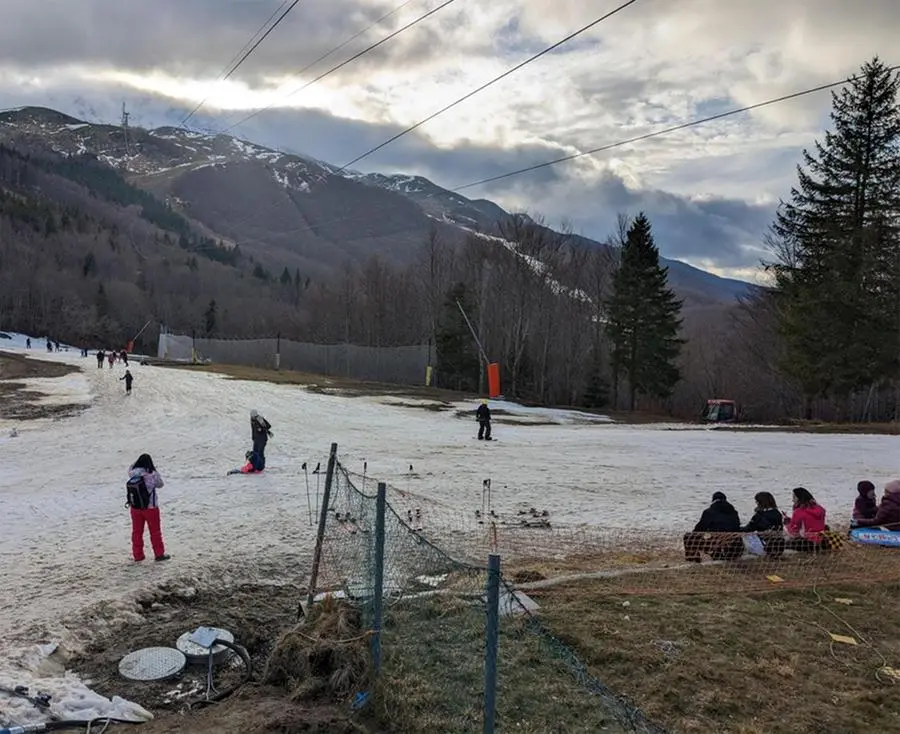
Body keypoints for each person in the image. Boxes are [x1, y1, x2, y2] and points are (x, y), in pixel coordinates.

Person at [127, 454, 169, 562]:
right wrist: (154, 468)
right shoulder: (152, 474)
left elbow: (130, 467)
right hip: (151, 508)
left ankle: (138, 555)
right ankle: (159, 554)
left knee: (136, 532)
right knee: (155, 531)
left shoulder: (132, 473)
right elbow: (160, 484)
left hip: (135, 508)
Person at [683, 492, 743, 562]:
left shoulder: (709, 512)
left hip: (718, 545)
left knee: (689, 536)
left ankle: (693, 559)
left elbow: (699, 529)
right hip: (736, 547)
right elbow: (737, 527)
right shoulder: (734, 512)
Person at [783, 487, 827, 551]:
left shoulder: (799, 511)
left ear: (799, 499)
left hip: (806, 543)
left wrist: (787, 523)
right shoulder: (820, 508)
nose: (792, 500)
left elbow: (794, 533)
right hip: (821, 540)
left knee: (783, 539)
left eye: (794, 497)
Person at [742, 491, 785, 557]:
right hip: (779, 547)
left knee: (746, 535)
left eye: (756, 502)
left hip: (765, 548)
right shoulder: (777, 513)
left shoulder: (759, 515)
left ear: (760, 503)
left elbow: (748, 529)